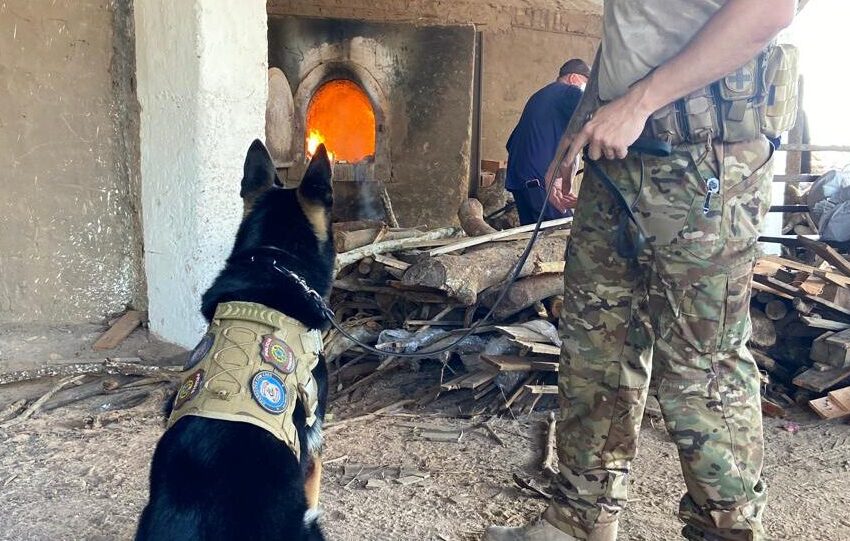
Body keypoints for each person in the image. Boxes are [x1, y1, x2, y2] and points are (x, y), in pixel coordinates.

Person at [485, 1, 797, 540]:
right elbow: (632, 34)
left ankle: (727, 532)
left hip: (704, 159)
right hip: (616, 158)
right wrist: (580, 123)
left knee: (701, 364)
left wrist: (640, 102)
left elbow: (768, 9)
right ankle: (580, 519)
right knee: (595, 349)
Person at [504, 59, 589, 225]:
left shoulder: (539, 97)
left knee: (534, 243)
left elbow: (512, 142)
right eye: (586, 83)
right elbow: (592, 120)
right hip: (540, 185)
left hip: (520, 183)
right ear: (573, 78)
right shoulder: (569, 92)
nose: (585, 89)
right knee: (563, 236)